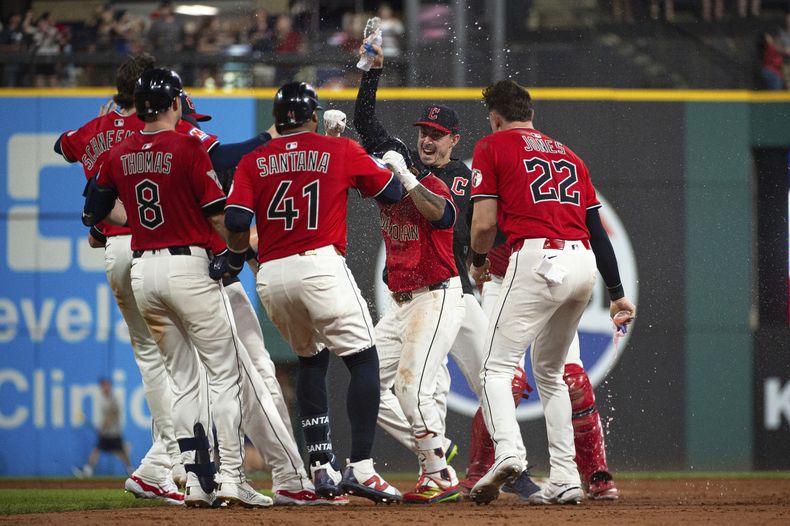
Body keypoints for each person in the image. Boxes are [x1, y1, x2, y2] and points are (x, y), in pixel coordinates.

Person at [352, 43, 535, 502]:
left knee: (492, 380)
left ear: (455, 140)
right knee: (395, 385)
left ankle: (513, 464)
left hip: (451, 293)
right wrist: (371, 72)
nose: (427, 140)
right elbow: (368, 126)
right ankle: (436, 457)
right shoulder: (405, 160)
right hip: (414, 297)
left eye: (437, 133)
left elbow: (457, 220)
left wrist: (479, 264)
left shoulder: (461, 175)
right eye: (423, 132)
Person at [82, 68, 272, 508]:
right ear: (174, 106)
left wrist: (125, 218)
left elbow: (93, 212)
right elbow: (219, 216)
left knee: (183, 383)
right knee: (224, 377)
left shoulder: (119, 150)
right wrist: (238, 252)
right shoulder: (188, 145)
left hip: (144, 272)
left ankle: (196, 481)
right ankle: (229, 478)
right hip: (188, 266)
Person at [224, 81, 404, 504]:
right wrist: (355, 154)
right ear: (312, 116)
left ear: (277, 119)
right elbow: (392, 192)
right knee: (364, 359)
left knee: (310, 360)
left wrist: (235, 255)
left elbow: (234, 219)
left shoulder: (254, 160)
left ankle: (320, 465)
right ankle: (361, 468)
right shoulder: (336, 150)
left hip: (270, 273)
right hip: (320, 265)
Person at [467, 80, 635, 505]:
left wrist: (479, 260)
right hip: (582, 265)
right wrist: (616, 293)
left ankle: (509, 452)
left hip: (538, 258)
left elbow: (485, 224)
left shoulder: (492, 145)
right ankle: (564, 477)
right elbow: (597, 230)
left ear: (495, 116)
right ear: (532, 114)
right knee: (552, 372)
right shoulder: (569, 154)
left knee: (494, 368)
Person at [72, 378, 136, 481]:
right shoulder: (102, 399)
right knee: (97, 450)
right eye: (102, 386)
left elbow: (114, 414)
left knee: (122, 452)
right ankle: (88, 470)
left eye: (106, 385)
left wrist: (104, 426)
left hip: (114, 432)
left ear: (109, 386)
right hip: (106, 433)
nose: (104, 387)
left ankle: (132, 471)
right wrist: (103, 427)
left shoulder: (113, 398)